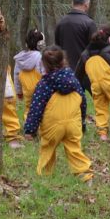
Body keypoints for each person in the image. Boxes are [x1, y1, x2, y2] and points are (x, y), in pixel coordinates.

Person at [22, 46, 93, 182]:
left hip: (52, 126)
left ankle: (45, 177)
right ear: (63, 61)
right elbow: (82, 102)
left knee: (47, 149)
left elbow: (36, 108)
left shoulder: (44, 84)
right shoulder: (73, 80)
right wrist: (81, 121)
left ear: (43, 64)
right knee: (74, 149)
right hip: (73, 123)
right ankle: (84, 174)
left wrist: (30, 130)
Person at [76, 25, 110, 140]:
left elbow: (78, 73)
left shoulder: (85, 53)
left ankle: (103, 134)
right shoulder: (109, 50)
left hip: (95, 85)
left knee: (100, 108)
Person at [54, 0, 98, 71]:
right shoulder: (90, 23)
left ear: (72, 3)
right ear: (86, 5)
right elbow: (95, 49)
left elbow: (57, 47)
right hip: (84, 70)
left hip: (64, 71)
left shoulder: (60, 23)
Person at [14, 28, 45, 121]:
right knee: (42, 108)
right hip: (39, 89)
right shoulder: (39, 57)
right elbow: (43, 73)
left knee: (29, 108)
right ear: (40, 44)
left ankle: (29, 128)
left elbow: (16, 75)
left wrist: (18, 91)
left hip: (27, 90)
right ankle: (40, 128)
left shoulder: (20, 59)